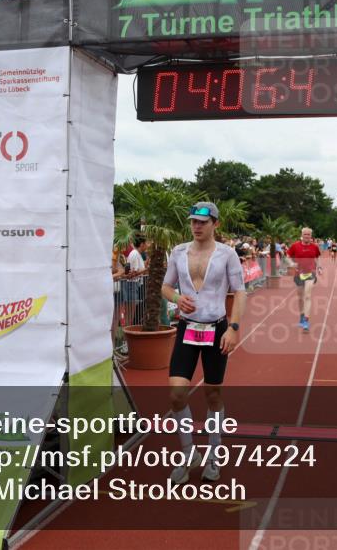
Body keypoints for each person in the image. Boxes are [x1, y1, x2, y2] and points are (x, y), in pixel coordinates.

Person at [161, 202, 245, 485]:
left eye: (202, 222)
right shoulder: (178, 252)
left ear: (215, 225)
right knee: (176, 394)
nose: (197, 226)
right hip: (187, 328)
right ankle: (188, 454)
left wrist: (233, 328)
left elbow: (240, 292)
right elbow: (166, 286)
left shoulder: (227, 254)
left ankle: (214, 455)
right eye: (193, 222)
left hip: (216, 328)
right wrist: (176, 299)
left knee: (212, 395)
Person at [288, 227, 322, 332]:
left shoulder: (314, 247)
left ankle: (306, 321)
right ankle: (302, 315)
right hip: (299, 274)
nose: (307, 236)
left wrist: (319, 267)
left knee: (307, 296)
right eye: (305, 234)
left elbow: (317, 257)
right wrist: (291, 263)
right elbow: (288, 256)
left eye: (309, 234)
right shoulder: (295, 246)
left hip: (310, 273)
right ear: (302, 235)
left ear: (311, 236)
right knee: (300, 298)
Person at [125, 237, 148, 326]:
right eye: (146, 243)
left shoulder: (137, 254)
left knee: (132, 313)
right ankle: (126, 335)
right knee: (130, 313)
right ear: (142, 244)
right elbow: (133, 273)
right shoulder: (134, 254)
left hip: (135, 285)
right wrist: (146, 269)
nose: (147, 246)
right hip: (132, 284)